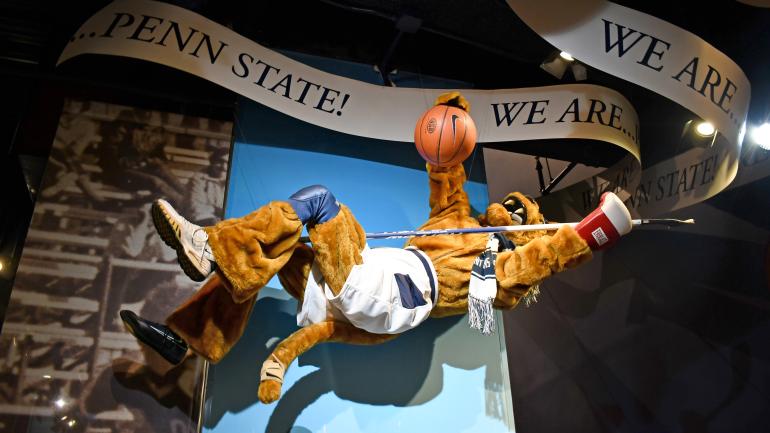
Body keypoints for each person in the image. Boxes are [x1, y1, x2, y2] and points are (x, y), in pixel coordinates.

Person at [120, 94, 633, 403]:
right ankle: (185, 340)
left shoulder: (496, 271)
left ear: (524, 231)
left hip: (390, 294)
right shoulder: (458, 222)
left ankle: (209, 246)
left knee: (320, 201)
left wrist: (589, 234)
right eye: (513, 206)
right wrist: (449, 118)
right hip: (370, 274)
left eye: (522, 218)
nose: (511, 213)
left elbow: (539, 260)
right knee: (280, 248)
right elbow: (446, 176)